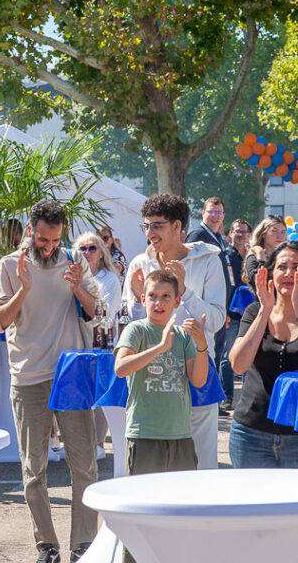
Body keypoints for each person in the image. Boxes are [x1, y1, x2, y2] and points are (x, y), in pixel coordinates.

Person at [0, 200, 102, 563]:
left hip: (70, 375)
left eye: (54, 239)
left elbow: (94, 311)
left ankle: (83, 545)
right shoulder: (8, 266)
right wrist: (23, 289)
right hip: (28, 376)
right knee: (33, 467)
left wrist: (77, 288)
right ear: (29, 232)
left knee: (84, 465)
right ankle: (47, 546)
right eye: (42, 239)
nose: (49, 246)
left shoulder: (74, 261)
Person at [124, 194, 226, 471]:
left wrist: (184, 291)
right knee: (149, 475)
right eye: (146, 226)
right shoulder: (139, 264)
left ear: (177, 226)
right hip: (150, 382)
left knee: (201, 467)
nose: (150, 233)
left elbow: (216, 321)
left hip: (196, 373)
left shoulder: (208, 261)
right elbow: (127, 325)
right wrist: (135, 299)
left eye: (157, 226)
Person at [113, 269, 209, 563]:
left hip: (179, 436)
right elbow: (121, 367)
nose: (159, 302)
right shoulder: (137, 330)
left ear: (177, 301)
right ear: (143, 299)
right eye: (152, 296)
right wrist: (160, 347)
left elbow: (199, 380)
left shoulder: (182, 336)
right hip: (144, 436)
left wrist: (202, 344)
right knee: (141, 516)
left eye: (166, 297)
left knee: (181, 514)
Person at [229, 241, 298, 469]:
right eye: (282, 267)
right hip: (250, 433)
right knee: (254, 504)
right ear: (270, 273)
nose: (288, 273)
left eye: (297, 267)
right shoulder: (254, 312)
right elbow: (238, 365)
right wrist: (265, 310)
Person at [185, 197, 235, 419]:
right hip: (203, 311)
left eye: (219, 213)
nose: (215, 216)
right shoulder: (198, 236)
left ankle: (212, 402)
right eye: (211, 212)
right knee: (209, 358)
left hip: (217, 308)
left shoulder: (217, 238)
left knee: (216, 356)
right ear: (203, 214)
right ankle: (206, 403)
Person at [74, 231, 123, 457]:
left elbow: (106, 313)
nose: (87, 253)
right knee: (81, 393)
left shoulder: (109, 279)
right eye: (82, 248)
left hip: (101, 340)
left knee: (100, 392)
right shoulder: (72, 275)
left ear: (102, 253)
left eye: (92, 248)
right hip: (75, 339)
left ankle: (99, 443)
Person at [220, 219, 250, 413]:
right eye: (237, 232)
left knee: (249, 355)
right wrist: (224, 312)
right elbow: (222, 285)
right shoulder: (225, 256)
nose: (240, 235)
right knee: (227, 356)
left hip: (250, 314)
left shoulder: (252, 256)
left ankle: (248, 396)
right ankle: (226, 397)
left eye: (244, 232)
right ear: (230, 234)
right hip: (231, 313)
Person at [244, 216, 287, 287]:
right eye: (274, 231)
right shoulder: (255, 255)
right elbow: (254, 280)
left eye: (283, 232)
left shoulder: (287, 256)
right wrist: (261, 256)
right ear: (263, 233)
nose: (279, 236)